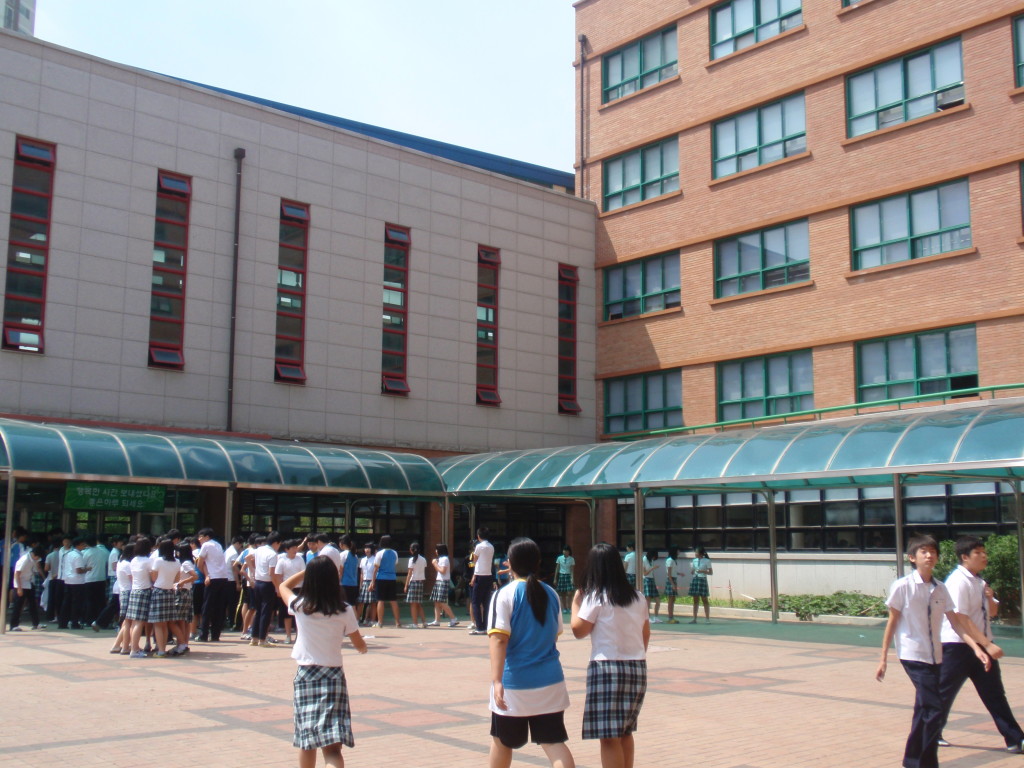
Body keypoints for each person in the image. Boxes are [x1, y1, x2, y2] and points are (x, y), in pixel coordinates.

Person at [876, 534, 1003, 768]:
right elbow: (892, 621)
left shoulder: (940, 588)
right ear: (912, 558)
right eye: (923, 552)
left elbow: (956, 623)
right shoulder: (902, 586)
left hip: (935, 655)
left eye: (932, 552)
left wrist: (978, 648)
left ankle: (912, 760)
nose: (929, 555)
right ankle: (926, 763)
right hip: (912, 655)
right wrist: (883, 657)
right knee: (934, 708)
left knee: (923, 709)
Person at [487, 537, 574, 768]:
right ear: (538, 562)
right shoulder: (551, 594)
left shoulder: (503, 595)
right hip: (551, 682)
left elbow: (498, 640)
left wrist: (496, 681)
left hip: (514, 684)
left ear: (510, 563)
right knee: (554, 743)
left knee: (502, 741)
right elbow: (554, 634)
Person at [936, 536, 1024, 753]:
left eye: (984, 552)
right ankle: (929, 733)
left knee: (994, 693)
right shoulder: (957, 581)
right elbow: (961, 618)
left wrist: (991, 597)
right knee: (944, 693)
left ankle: (1015, 739)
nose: (984, 556)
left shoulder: (979, 581)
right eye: (978, 553)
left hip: (981, 644)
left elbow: (992, 613)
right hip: (957, 646)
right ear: (965, 557)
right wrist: (987, 644)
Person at [280, 556, 367, 768]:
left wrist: (307, 571)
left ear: (310, 579)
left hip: (306, 675)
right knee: (332, 747)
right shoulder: (345, 609)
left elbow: (283, 585)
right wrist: (362, 648)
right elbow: (358, 642)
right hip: (333, 676)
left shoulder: (300, 606)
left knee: (307, 741)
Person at [571, 542, 650, 768]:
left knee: (608, 736)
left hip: (606, 669)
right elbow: (645, 635)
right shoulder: (638, 597)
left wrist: (577, 603)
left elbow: (578, 631)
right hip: (636, 667)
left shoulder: (596, 597)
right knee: (625, 731)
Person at [195, 528, 233, 642]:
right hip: (223, 578)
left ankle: (203, 635)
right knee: (219, 608)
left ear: (207, 537)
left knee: (207, 608)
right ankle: (215, 635)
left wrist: (207, 575)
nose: (199, 539)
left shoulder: (206, 545)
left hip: (213, 579)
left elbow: (199, 563)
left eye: (201, 536)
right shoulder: (218, 545)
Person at [149, 539, 181, 658]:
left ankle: (161, 650)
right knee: (166, 623)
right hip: (169, 592)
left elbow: (153, 577)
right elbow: (177, 579)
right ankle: (163, 649)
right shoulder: (177, 562)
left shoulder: (158, 561)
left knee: (158, 623)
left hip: (158, 591)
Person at [249, 532, 281, 647]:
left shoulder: (259, 550)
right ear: (276, 543)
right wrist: (277, 588)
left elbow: (249, 559)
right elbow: (272, 573)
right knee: (266, 612)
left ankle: (254, 638)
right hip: (267, 584)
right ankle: (262, 639)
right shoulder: (273, 554)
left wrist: (254, 572)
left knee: (258, 611)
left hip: (257, 582)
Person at [126, 537, 155, 658]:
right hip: (144, 591)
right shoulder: (148, 561)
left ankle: (134, 647)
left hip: (134, 591)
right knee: (139, 622)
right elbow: (153, 578)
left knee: (134, 622)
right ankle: (134, 650)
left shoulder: (133, 560)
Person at [274, 538, 306, 644]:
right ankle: (288, 635)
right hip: (287, 589)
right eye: (292, 548)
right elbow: (278, 576)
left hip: (299, 589)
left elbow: (303, 573)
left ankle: (299, 636)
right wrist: (279, 589)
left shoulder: (300, 559)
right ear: (287, 549)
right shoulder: (282, 560)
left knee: (299, 612)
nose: (295, 549)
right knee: (286, 614)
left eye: (296, 547)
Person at [170, 543, 198, 656]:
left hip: (183, 592)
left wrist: (182, 582)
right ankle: (183, 643)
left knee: (179, 619)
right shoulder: (187, 562)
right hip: (185, 592)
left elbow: (195, 576)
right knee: (183, 620)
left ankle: (182, 643)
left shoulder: (186, 563)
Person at [9, 545, 45, 630]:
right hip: (21, 583)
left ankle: (36, 623)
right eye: (38, 557)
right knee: (18, 605)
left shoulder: (33, 560)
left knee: (33, 604)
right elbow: (17, 573)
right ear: (35, 555)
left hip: (29, 582)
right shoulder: (25, 559)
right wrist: (19, 588)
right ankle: (13, 625)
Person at [371, 535, 401, 629]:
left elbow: (376, 568)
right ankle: (397, 622)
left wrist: (373, 581)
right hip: (392, 578)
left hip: (381, 578)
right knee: (393, 601)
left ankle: (380, 622)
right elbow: (395, 564)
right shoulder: (395, 553)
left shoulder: (380, 553)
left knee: (380, 600)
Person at [109, 543, 135, 654]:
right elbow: (133, 579)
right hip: (128, 592)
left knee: (126, 621)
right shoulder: (127, 564)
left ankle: (118, 645)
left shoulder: (121, 562)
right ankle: (124, 645)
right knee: (127, 621)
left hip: (123, 592)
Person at [470, 527, 496, 636]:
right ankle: (485, 626)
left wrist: (473, 577)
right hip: (488, 575)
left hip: (479, 576)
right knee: (486, 603)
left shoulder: (479, 546)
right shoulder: (491, 546)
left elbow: (475, 561)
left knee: (475, 602)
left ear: (478, 536)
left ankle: (479, 627)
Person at [427, 543, 459, 627]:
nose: (436, 551)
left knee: (441, 601)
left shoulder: (444, 559)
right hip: (439, 581)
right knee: (437, 602)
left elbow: (442, 571)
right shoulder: (441, 559)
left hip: (443, 581)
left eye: (437, 549)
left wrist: (434, 564)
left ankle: (453, 618)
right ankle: (437, 620)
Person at [688, 546, 712, 624]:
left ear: (700, 553)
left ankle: (707, 619)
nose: (695, 554)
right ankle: (694, 618)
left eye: (696, 552)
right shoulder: (694, 560)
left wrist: (703, 571)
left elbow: (711, 572)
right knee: (695, 599)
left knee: (704, 599)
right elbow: (692, 570)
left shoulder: (707, 561)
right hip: (695, 579)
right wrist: (692, 571)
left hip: (702, 580)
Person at [357, 543, 377, 626]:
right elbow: (361, 573)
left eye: (368, 548)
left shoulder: (375, 559)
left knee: (372, 602)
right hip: (364, 582)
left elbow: (375, 572)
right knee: (361, 602)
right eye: (365, 548)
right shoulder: (362, 560)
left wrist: (373, 582)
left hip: (372, 581)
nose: (367, 550)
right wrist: (360, 584)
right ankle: (357, 619)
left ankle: (372, 620)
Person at [338, 535, 361, 607]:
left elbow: (340, 570)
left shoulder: (342, 554)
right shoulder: (355, 555)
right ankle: (354, 618)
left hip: (344, 583)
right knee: (352, 605)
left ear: (342, 544)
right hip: (353, 583)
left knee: (344, 604)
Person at [555, 546, 575, 613]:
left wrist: (572, 578)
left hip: (568, 575)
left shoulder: (571, 559)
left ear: (569, 552)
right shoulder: (559, 558)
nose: (565, 552)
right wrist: (555, 578)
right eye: (564, 550)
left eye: (566, 551)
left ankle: (569, 607)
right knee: (562, 593)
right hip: (561, 575)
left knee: (569, 592)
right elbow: (557, 568)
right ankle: (564, 608)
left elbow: (572, 570)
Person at [641, 551, 659, 623]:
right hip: (646, 580)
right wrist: (652, 568)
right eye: (654, 557)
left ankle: (656, 617)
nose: (654, 558)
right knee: (648, 600)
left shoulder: (651, 560)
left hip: (651, 580)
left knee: (657, 600)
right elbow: (644, 573)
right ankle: (647, 617)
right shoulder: (644, 559)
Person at [663, 550, 679, 624]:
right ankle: (670, 617)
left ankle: (672, 616)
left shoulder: (674, 560)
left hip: (674, 579)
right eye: (678, 550)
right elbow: (669, 573)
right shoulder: (669, 560)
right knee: (670, 599)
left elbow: (673, 571)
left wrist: (679, 573)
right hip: (671, 580)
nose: (679, 552)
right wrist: (672, 584)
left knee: (673, 599)